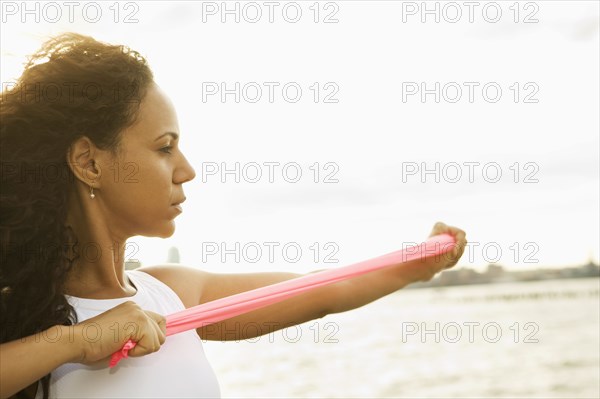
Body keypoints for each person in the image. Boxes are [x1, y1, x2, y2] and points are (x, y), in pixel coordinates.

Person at [0, 33, 467, 399]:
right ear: (90, 163)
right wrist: (78, 342)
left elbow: (325, 288)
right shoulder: (22, 314)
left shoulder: (173, 294)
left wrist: (416, 264)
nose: (186, 170)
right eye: (164, 148)